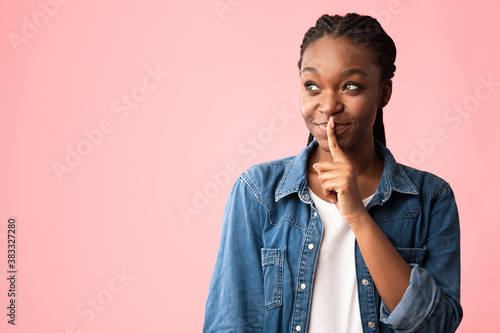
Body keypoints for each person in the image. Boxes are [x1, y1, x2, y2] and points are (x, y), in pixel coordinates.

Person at [203, 13, 462, 333]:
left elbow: (436, 326)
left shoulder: (431, 198)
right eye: (312, 86)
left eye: (350, 86)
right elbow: (231, 322)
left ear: (383, 92)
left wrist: (357, 215)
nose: (328, 105)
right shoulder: (257, 191)